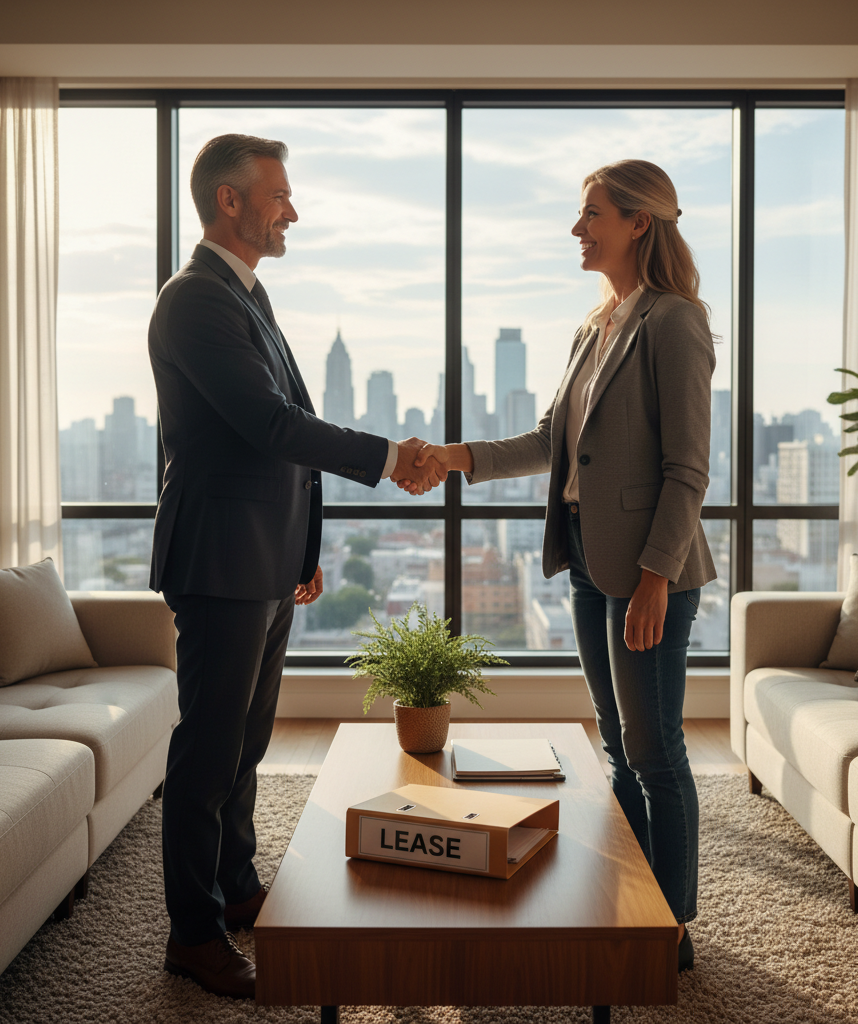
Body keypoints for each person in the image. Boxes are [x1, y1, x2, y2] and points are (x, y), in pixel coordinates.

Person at [148, 133, 444, 999]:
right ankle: (190, 934)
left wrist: (303, 553)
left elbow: (289, 431)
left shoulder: (247, 293)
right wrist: (393, 456)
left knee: (246, 742)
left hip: (267, 560)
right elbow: (270, 427)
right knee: (206, 752)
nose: (293, 210)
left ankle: (235, 888)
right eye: (278, 195)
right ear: (229, 201)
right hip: (220, 560)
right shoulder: (194, 301)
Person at [412, 158, 715, 972]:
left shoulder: (673, 321)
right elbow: (552, 439)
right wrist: (456, 456)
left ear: (638, 223)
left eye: (592, 215)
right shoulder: (597, 324)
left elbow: (689, 469)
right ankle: (634, 901)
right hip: (585, 559)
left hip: (650, 571)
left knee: (657, 753)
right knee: (616, 747)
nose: (577, 229)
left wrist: (656, 577)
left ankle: (674, 927)